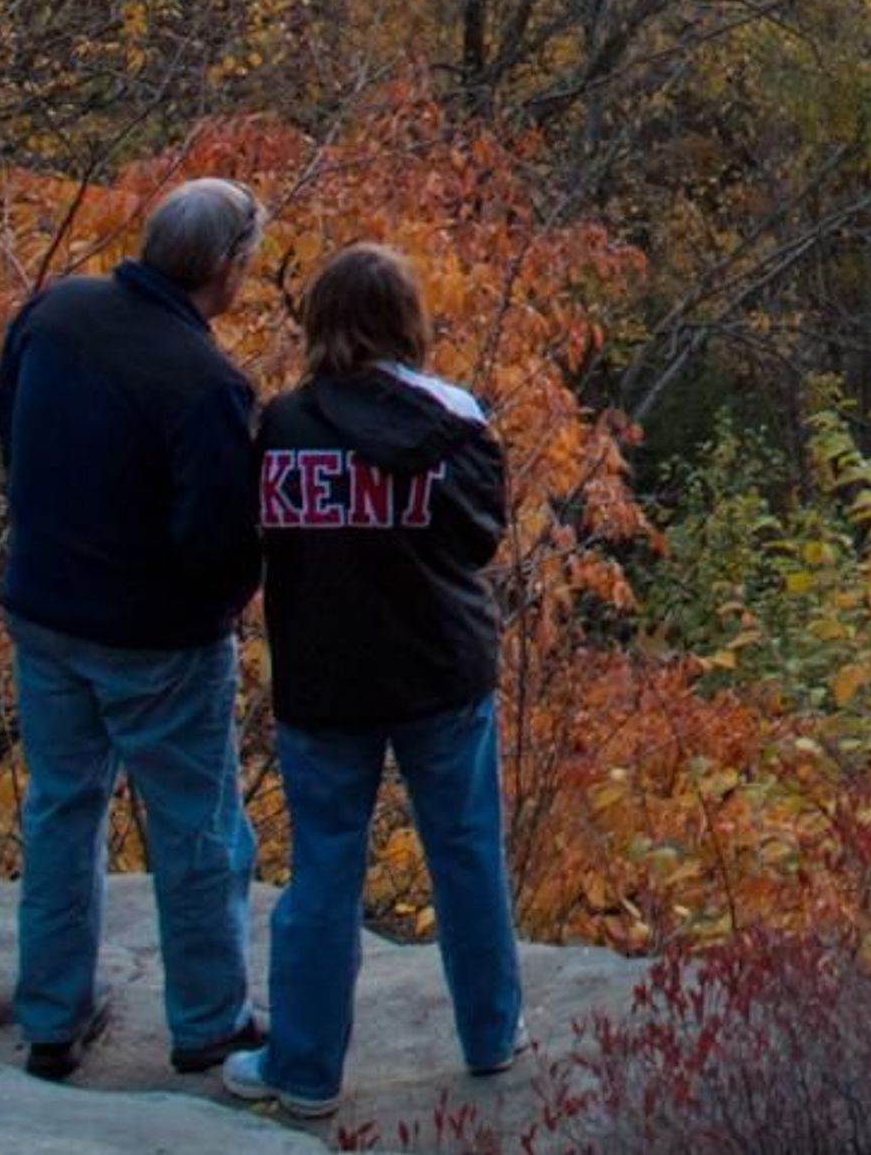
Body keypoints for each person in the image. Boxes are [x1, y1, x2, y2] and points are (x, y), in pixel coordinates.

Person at [220, 243, 523, 1122]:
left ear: (318, 320)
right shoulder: (453, 417)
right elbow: (479, 539)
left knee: (322, 873)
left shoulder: (281, 424)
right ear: (409, 320)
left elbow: (257, 538)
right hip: (440, 672)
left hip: (325, 678)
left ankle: (306, 1069)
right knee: (466, 855)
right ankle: (491, 1035)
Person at [0, 176, 269, 1082]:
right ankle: (207, 1023)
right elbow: (218, 536)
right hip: (158, 639)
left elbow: (11, 423)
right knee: (195, 829)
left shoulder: (56, 313)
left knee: (60, 812)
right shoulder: (205, 382)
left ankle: (49, 1021)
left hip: (44, 608)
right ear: (226, 267)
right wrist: (224, 605)